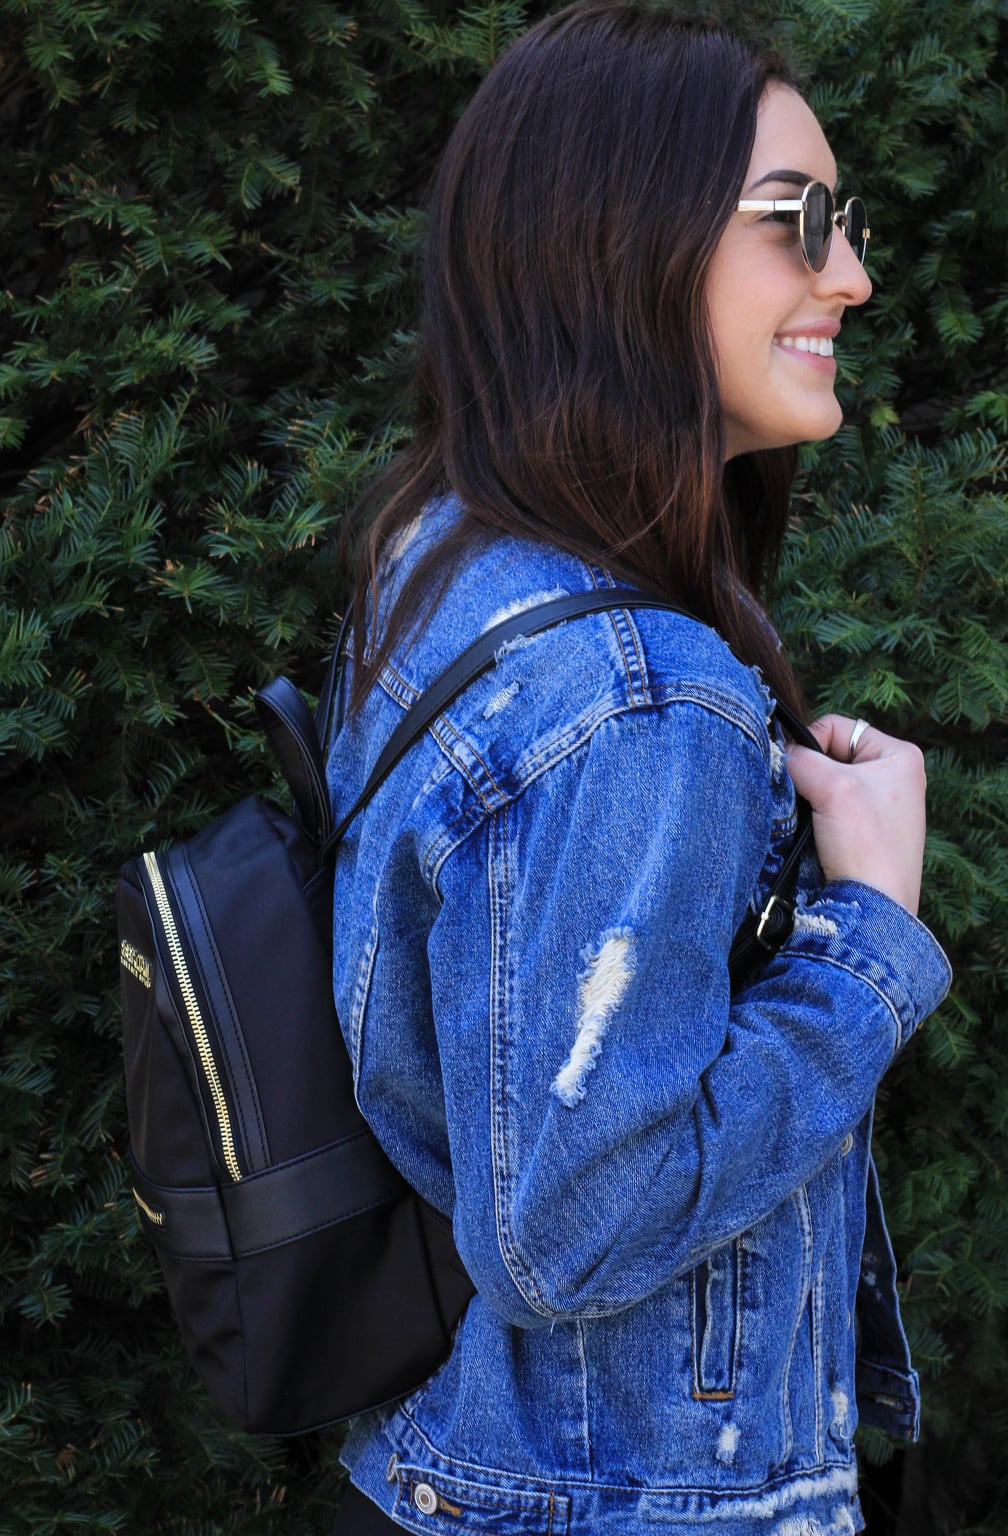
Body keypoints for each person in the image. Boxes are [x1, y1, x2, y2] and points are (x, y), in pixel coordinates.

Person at [325, 4, 951, 1532]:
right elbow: (575, 1235)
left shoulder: (447, 559)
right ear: (619, 241)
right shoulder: (642, 700)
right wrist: (870, 932)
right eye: (796, 224)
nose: (851, 275)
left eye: (846, 223)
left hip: (455, 1465)